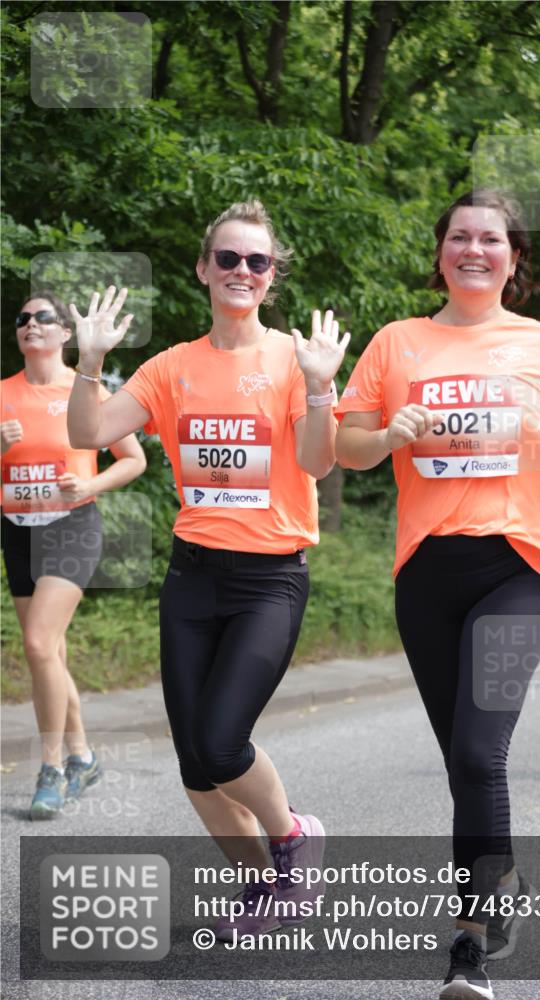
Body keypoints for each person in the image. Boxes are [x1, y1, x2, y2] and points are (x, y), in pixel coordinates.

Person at [335, 189, 540, 1000]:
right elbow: (344, 447)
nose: (473, 249)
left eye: (490, 239)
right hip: (427, 568)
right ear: (440, 253)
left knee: (481, 754)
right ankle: (503, 879)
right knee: (461, 759)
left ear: (513, 258)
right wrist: (386, 436)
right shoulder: (397, 342)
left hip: (523, 563)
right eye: (458, 237)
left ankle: (469, 943)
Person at [67, 199, 350, 938]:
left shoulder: (295, 358)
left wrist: (321, 388)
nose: (241, 272)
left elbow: (319, 463)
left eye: (257, 261)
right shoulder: (171, 368)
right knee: (196, 765)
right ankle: (261, 888)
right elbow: (90, 432)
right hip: (193, 575)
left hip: (269, 578)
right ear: (203, 268)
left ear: (271, 276)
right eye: (227, 258)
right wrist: (89, 364)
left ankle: (291, 836)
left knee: (223, 741)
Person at [1, 291, 146, 820]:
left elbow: (133, 460)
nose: (31, 325)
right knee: (51, 654)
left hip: (71, 526)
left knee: (39, 644)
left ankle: (51, 767)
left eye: (43, 318)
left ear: (65, 333)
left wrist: (88, 483)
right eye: (23, 319)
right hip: (16, 528)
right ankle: (84, 755)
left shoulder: (86, 390)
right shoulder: (2, 394)